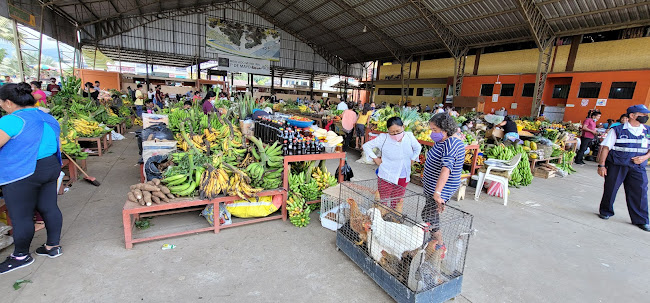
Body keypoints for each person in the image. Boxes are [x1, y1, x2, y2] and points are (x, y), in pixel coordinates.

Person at [0, 83, 64, 274]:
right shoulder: (47, 117)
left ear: (9, 103)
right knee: (49, 207)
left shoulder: (11, 120)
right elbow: (56, 143)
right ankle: (53, 247)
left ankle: (21, 256)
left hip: (24, 171)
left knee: (21, 215)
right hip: (50, 167)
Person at [597, 104, 650, 232]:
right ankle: (606, 211)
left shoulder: (647, 130)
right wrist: (601, 165)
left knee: (640, 192)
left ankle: (641, 220)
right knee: (611, 188)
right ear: (632, 116)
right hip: (617, 165)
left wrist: (644, 157)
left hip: (638, 167)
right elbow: (606, 148)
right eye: (642, 115)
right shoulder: (618, 130)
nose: (645, 117)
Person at [363, 117, 422, 207]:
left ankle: (393, 216)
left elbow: (418, 147)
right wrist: (376, 159)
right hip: (386, 174)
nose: (395, 134)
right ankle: (382, 217)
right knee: (383, 199)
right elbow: (366, 146)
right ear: (388, 130)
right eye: (392, 132)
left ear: (403, 127)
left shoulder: (409, 136)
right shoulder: (383, 138)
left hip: (403, 175)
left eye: (398, 131)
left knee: (397, 199)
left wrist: (413, 159)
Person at [421, 113, 466, 229]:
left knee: (429, 218)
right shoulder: (443, 140)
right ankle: (434, 242)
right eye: (431, 129)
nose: (432, 133)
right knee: (430, 215)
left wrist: (438, 194)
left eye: (435, 130)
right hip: (433, 185)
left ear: (445, 129)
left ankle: (439, 244)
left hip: (440, 188)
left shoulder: (451, 144)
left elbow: (446, 170)